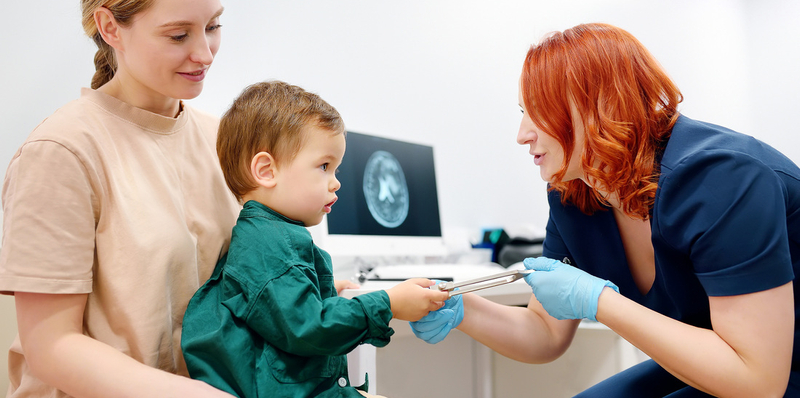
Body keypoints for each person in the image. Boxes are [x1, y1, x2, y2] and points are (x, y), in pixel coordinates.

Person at [410, 23, 799, 397]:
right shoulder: (574, 194)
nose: (522, 134)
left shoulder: (721, 178)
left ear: (600, 105)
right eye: (521, 113)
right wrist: (463, 310)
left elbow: (758, 384)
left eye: (537, 111)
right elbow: (545, 330)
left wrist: (599, 302)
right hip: (721, 360)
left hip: (768, 370)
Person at [0, 0, 242, 397]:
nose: (204, 52)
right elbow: (52, 346)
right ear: (111, 27)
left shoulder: (222, 140)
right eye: (177, 35)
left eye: (212, 26)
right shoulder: (61, 153)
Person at [180, 80, 449, 398]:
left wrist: (322, 290)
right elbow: (307, 327)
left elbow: (275, 305)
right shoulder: (272, 245)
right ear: (266, 170)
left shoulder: (265, 237)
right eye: (324, 166)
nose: (336, 183)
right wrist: (388, 304)